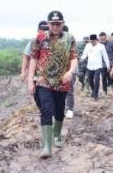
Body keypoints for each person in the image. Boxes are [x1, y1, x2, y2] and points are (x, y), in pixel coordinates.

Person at [27, 10, 78, 159]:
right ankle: (47, 147)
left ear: (62, 24)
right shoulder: (40, 38)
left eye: (58, 24)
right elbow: (33, 59)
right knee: (46, 110)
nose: (55, 26)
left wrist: (71, 71)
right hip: (43, 81)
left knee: (59, 111)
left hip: (62, 82)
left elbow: (74, 58)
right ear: (48, 24)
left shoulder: (70, 38)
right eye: (52, 23)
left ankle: (57, 135)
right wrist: (30, 81)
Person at [79, 34, 110, 100]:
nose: (92, 43)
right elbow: (84, 55)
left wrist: (108, 66)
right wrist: (81, 59)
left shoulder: (101, 46)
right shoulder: (87, 46)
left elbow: (105, 57)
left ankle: (96, 95)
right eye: (91, 41)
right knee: (90, 80)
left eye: (94, 41)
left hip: (98, 66)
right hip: (89, 66)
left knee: (97, 80)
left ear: (96, 40)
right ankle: (93, 91)